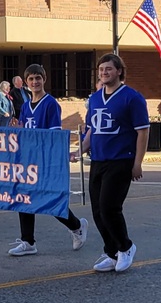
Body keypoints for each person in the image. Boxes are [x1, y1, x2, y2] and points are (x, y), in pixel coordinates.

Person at [8, 64, 88, 257]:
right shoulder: (26, 106)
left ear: (44, 79)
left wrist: (55, 157)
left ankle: (76, 226)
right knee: (24, 198)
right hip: (28, 160)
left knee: (48, 199)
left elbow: (53, 135)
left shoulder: (50, 103)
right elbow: (25, 132)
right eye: (31, 79)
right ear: (25, 83)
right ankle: (28, 241)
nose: (35, 82)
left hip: (44, 159)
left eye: (38, 78)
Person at [81, 54, 149, 273]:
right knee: (97, 211)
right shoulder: (94, 98)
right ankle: (111, 252)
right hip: (98, 160)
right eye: (101, 69)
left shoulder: (132, 97)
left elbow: (143, 131)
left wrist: (138, 162)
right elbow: (93, 128)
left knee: (110, 208)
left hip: (121, 159)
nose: (104, 73)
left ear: (119, 71)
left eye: (108, 69)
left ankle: (126, 247)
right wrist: (80, 149)